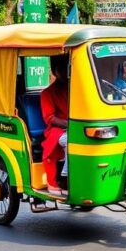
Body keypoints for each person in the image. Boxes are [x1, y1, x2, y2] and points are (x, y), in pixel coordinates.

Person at [41, 55, 70, 195]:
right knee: (72, 142)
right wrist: (71, 124)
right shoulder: (47, 93)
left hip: (76, 127)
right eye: (63, 70)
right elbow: (50, 119)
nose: (66, 73)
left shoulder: (74, 89)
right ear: (56, 71)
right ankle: (64, 177)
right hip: (56, 131)